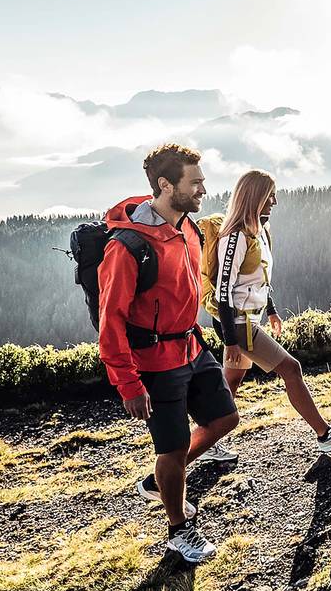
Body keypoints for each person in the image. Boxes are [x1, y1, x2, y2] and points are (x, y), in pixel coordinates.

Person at [98, 143, 239, 564]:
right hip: (155, 365)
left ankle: (161, 480)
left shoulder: (188, 228)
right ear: (165, 185)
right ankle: (179, 529)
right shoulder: (126, 247)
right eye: (194, 182)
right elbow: (111, 322)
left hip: (192, 346)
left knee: (225, 418)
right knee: (172, 448)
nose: (202, 189)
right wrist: (128, 383)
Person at [198, 169, 331, 455]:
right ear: (255, 197)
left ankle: (207, 441)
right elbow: (223, 291)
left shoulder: (259, 231)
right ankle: (325, 435)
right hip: (237, 323)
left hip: (248, 318)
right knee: (291, 368)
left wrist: (271, 310)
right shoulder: (234, 237)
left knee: (232, 381)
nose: (274, 200)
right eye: (269, 195)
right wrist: (230, 340)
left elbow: (260, 278)